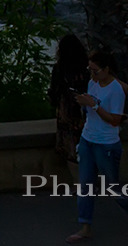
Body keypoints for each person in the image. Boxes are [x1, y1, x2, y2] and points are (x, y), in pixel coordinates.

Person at [67, 49, 128, 243]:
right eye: (90, 70)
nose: (92, 74)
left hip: (106, 144)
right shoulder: (93, 83)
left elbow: (115, 120)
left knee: (113, 187)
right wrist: (83, 103)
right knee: (85, 185)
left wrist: (93, 105)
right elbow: (92, 107)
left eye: (96, 70)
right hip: (88, 139)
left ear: (107, 69)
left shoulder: (115, 89)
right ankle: (85, 226)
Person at [49, 34, 91, 164]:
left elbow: (54, 91)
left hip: (66, 110)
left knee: (70, 146)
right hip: (85, 108)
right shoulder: (86, 69)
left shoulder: (60, 68)